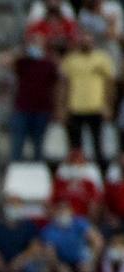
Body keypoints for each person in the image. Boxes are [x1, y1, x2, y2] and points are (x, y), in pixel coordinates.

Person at [58, 33, 115, 170]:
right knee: (75, 147)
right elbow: (64, 85)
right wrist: (62, 107)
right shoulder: (71, 60)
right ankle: (76, 175)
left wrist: (108, 105)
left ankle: (101, 176)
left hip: (96, 107)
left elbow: (109, 85)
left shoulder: (102, 59)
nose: (86, 44)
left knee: (98, 145)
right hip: (75, 107)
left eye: (89, 41)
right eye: (83, 41)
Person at [2, 33, 59, 162]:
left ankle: (38, 173)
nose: (36, 45)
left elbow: (56, 85)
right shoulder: (23, 62)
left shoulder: (49, 63)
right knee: (17, 144)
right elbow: (4, 62)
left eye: (38, 42)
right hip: (22, 109)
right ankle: (15, 170)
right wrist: (21, 51)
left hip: (42, 109)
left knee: (39, 146)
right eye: (33, 42)